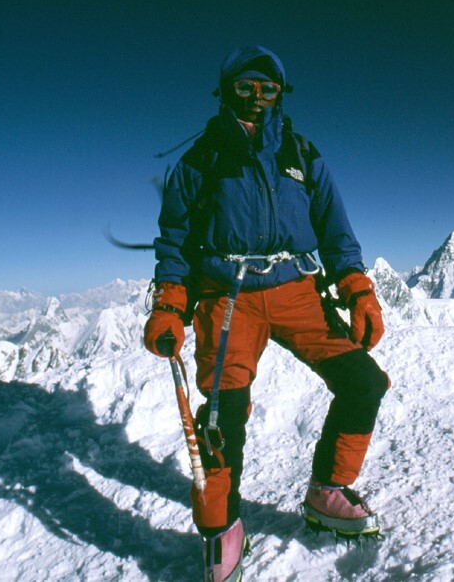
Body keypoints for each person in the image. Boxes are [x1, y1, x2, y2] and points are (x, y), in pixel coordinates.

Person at [143, 45, 390, 582]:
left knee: (363, 382)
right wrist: (170, 304)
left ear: (281, 94)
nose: (256, 97)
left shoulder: (302, 155)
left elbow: (336, 231)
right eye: (245, 86)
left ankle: (327, 492)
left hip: (298, 293)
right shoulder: (199, 160)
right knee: (220, 418)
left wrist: (356, 288)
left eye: (268, 88)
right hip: (226, 298)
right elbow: (175, 241)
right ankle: (223, 528)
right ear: (226, 90)